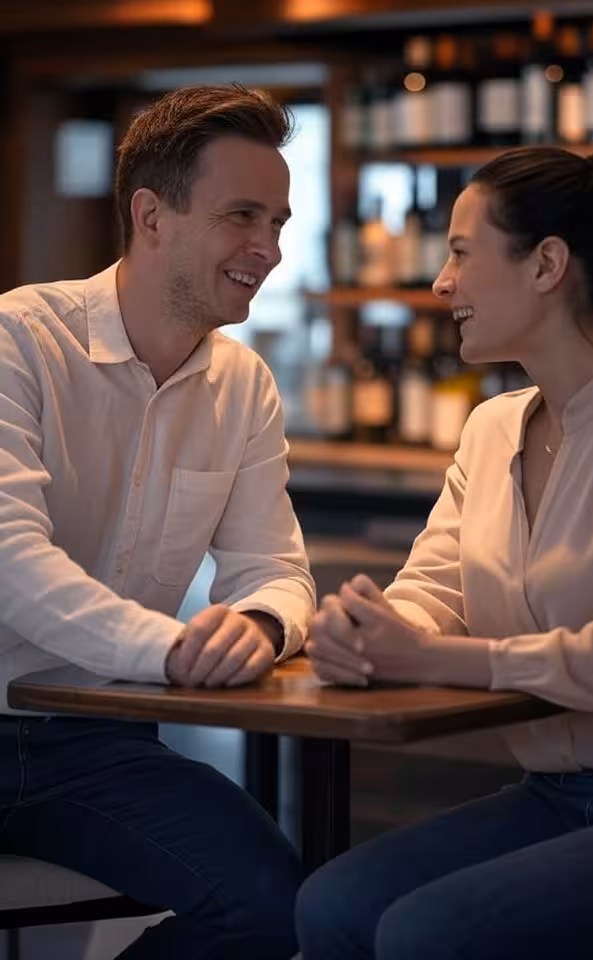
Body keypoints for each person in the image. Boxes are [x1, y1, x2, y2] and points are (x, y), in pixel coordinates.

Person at [297, 147, 593, 960]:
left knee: (427, 934)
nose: (440, 283)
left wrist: (435, 657)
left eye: (461, 252)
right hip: (552, 795)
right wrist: (372, 629)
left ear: (547, 265)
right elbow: (434, 590)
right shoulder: (491, 429)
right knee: (330, 903)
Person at [0, 84, 315, 959]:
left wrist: (259, 623)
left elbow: (275, 568)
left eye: (278, 223)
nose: (268, 249)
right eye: (242, 216)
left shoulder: (243, 384)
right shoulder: (18, 341)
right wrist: (171, 650)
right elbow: (10, 561)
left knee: (274, 908)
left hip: (98, 744)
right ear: (151, 215)